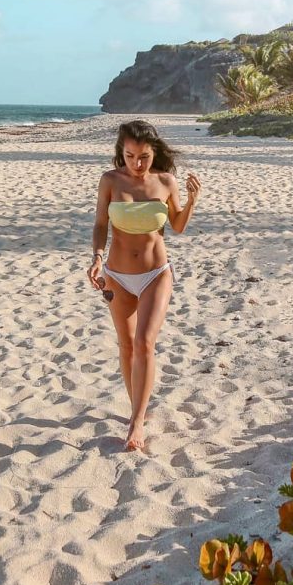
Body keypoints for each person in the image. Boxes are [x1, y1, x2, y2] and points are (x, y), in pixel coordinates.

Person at [88, 120, 201, 451]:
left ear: (155, 153)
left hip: (155, 273)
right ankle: (138, 406)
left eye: (144, 157)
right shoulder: (110, 181)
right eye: (130, 155)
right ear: (121, 153)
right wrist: (96, 258)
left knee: (145, 343)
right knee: (126, 346)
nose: (137, 164)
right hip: (117, 276)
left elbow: (177, 226)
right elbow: (99, 224)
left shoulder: (166, 181)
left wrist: (192, 201)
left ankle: (137, 423)